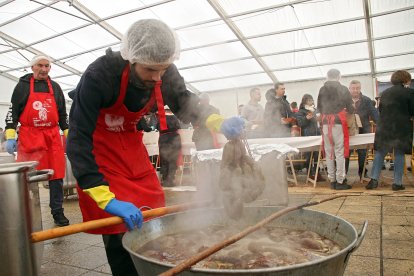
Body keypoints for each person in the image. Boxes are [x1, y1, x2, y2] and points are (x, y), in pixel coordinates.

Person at [66, 19, 244, 276]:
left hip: (131, 146)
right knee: (118, 228)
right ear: (131, 57)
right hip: (99, 150)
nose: (158, 77)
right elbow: (78, 136)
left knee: (154, 210)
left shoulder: (164, 69)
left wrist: (218, 121)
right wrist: (105, 197)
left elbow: (185, 101)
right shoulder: (99, 75)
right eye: (150, 70)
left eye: (163, 69)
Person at [5, 55, 69, 226]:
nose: (44, 69)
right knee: (27, 176)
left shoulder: (55, 87)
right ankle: (26, 213)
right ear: (32, 67)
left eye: (47, 66)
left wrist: (68, 133)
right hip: (30, 136)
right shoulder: (22, 87)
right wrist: (10, 136)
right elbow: (12, 114)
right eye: (40, 65)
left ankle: (57, 212)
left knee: (56, 176)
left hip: (52, 137)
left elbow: (62, 114)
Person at [365, 70, 414, 191]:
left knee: (380, 152)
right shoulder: (410, 92)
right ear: (405, 80)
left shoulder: (385, 93)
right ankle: (397, 183)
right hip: (401, 127)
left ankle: (374, 180)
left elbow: (380, 110)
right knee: (399, 153)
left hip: (384, 126)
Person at [317, 69, 354, 190]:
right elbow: (350, 107)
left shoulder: (322, 89)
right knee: (339, 151)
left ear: (327, 76)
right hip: (338, 122)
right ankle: (340, 181)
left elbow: (319, 108)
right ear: (339, 77)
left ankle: (332, 180)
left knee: (329, 152)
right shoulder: (343, 89)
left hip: (325, 123)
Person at [345, 80, 379, 178]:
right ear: (349, 89)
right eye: (353, 88)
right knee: (346, 152)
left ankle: (363, 173)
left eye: (357, 88)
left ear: (360, 88)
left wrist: (380, 124)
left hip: (364, 128)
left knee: (363, 152)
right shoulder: (344, 101)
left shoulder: (367, 100)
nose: (355, 90)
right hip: (349, 129)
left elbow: (374, 114)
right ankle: (343, 175)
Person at [296, 94, 325, 182]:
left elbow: (319, 121)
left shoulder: (315, 110)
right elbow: (300, 123)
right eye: (308, 100)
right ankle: (309, 173)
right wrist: (306, 118)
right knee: (309, 155)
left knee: (317, 155)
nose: (311, 101)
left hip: (317, 134)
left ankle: (317, 173)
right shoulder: (301, 112)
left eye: (311, 99)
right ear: (304, 101)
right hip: (308, 135)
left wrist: (320, 119)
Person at [157, 106, 181, 187]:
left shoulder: (161, 117)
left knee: (164, 160)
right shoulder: (174, 117)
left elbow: (157, 127)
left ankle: (164, 180)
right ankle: (171, 180)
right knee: (173, 160)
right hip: (174, 139)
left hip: (164, 139)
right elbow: (178, 127)